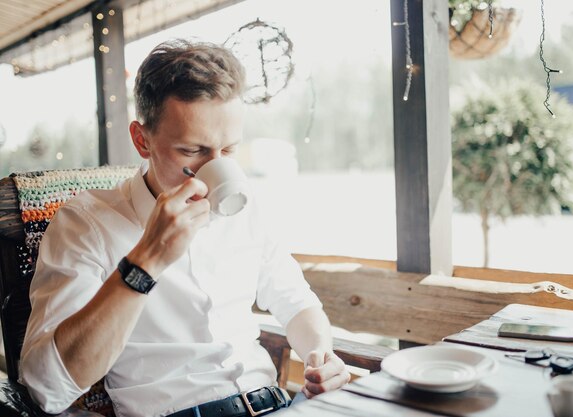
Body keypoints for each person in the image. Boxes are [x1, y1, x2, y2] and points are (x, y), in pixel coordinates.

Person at [19, 39, 350, 417]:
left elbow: (297, 303)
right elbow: (46, 387)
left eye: (228, 151)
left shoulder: (246, 206)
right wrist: (145, 262)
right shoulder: (86, 223)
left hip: (275, 403)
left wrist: (320, 355)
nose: (214, 169)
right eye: (193, 151)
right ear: (142, 140)